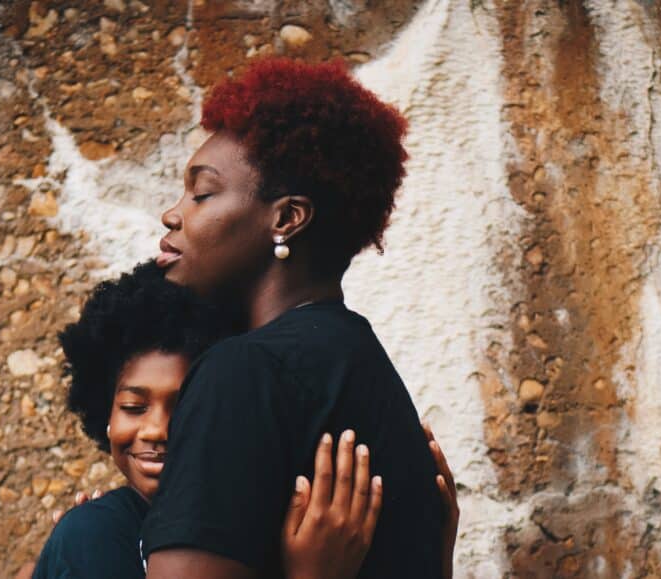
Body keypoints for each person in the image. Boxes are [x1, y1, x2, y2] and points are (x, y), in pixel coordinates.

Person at [144, 57, 449, 578]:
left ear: (286, 218)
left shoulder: (242, 373)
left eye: (202, 193)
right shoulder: (365, 370)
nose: (174, 214)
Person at [28, 262, 395, 579]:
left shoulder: (261, 524)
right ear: (104, 414)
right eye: (133, 407)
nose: (156, 429)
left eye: (186, 406)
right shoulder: (96, 534)